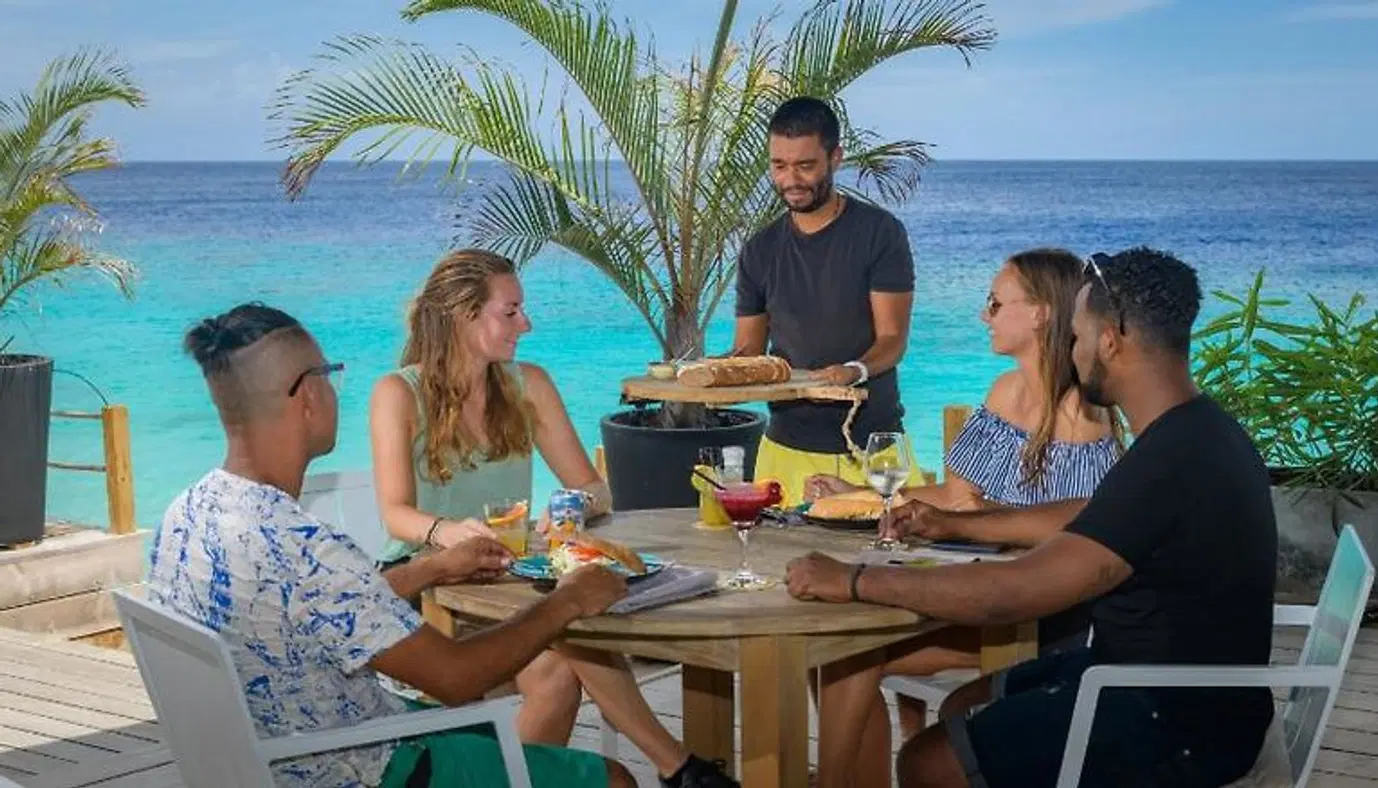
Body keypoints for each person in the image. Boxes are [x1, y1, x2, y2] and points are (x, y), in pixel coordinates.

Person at [786, 247, 1279, 788]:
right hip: (1170, 689)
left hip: (1171, 720)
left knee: (928, 763)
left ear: (1110, 341)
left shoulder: (1166, 462)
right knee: (965, 705)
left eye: (1077, 335)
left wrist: (856, 581)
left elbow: (1016, 591)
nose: (1072, 348)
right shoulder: (1200, 432)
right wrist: (958, 524)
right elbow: (1086, 512)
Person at [148, 303, 635, 787]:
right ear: (308, 397)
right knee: (612, 779)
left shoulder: (188, 513)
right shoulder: (306, 546)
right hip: (366, 769)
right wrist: (569, 599)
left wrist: (431, 569)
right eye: (329, 374)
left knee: (511, 734)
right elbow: (454, 678)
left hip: (276, 757)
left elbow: (316, 604)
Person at [368, 251, 736, 787]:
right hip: (429, 589)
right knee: (566, 627)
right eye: (510, 311)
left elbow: (594, 487)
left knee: (562, 657)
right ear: (463, 315)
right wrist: (450, 535)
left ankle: (655, 770)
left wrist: (571, 507)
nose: (527, 324)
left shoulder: (528, 385)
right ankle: (679, 768)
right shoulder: (397, 393)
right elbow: (395, 513)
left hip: (512, 577)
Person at [805, 248, 1123, 788]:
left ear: (1042, 313)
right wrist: (861, 493)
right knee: (834, 654)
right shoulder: (1005, 392)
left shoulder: (1082, 418)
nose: (985, 315)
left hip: (1035, 615)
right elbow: (956, 495)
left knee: (849, 657)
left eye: (996, 304)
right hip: (978, 589)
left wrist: (982, 518)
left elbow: (1069, 534)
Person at [728, 95, 925, 507]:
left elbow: (893, 340)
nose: (790, 180)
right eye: (778, 166)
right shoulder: (759, 250)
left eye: (805, 165)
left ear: (835, 157)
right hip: (783, 449)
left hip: (870, 450)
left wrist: (853, 371)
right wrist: (711, 371)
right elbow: (749, 351)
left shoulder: (880, 234)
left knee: (893, 564)